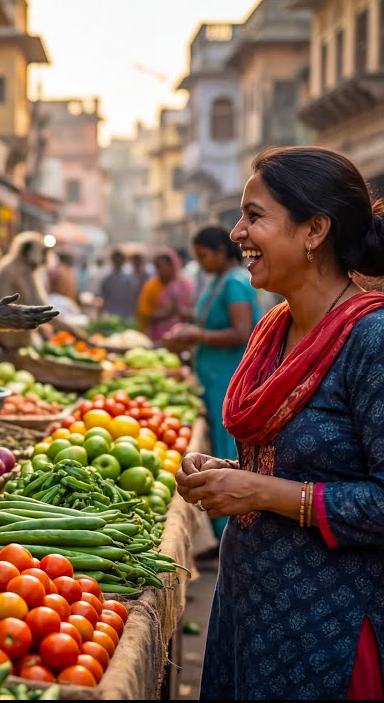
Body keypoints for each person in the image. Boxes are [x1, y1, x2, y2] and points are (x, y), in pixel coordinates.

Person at [178, 146, 384, 700]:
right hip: (252, 608)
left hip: (330, 625)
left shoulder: (378, 341)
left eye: (255, 215)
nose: (238, 232)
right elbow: (282, 464)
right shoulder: (277, 330)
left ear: (314, 230)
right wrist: (227, 473)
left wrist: (261, 490)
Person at [162, 226, 260, 539]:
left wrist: (197, 335)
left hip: (229, 376)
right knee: (217, 445)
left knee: (224, 446)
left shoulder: (234, 283)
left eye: (204, 256)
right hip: (212, 375)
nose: (201, 262)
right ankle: (218, 528)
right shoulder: (217, 280)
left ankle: (226, 528)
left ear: (220, 251)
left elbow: (241, 331)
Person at [137, 248, 193, 342]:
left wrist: (179, 311)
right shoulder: (151, 286)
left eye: (160, 266)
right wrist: (166, 313)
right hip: (157, 338)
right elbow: (145, 315)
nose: (158, 270)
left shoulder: (185, 285)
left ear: (172, 265)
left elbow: (193, 313)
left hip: (182, 338)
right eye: (156, 267)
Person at [97, 248, 142, 322]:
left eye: (119, 259)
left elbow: (135, 297)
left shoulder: (130, 278)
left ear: (123, 260)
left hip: (127, 316)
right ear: (113, 260)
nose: (118, 261)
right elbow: (102, 298)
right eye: (116, 259)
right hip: (111, 316)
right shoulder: (107, 279)